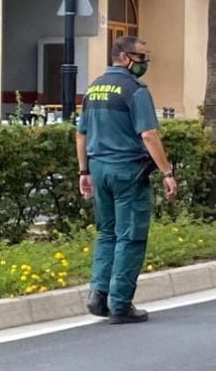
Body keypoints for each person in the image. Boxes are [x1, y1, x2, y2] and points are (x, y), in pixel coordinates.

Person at [76, 36, 177, 324]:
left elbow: (81, 134)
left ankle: (99, 293)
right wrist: (167, 172)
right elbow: (148, 135)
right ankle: (120, 304)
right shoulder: (136, 90)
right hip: (127, 171)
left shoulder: (94, 89)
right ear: (124, 57)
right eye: (141, 56)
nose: (145, 62)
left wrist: (84, 172)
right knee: (130, 236)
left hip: (99, 169)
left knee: (107, 233)